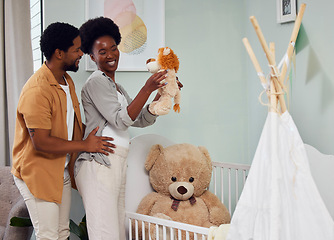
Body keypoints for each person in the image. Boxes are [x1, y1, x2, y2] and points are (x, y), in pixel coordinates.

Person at [11, 22, 115, 240]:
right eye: (76, 49)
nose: (81, 53)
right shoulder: (37, 90)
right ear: (59, 53)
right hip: (37, 172)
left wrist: (112, 137)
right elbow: (41, 142)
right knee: (48, 235)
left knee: (61, 232)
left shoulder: (66, 81)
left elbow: (72, 124)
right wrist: (85, 145)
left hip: (60, 168)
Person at [74, 16, 172, 239]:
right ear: (92, 57)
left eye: (113, 48)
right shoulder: (96, 82)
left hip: (115, 163)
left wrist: (158, 97)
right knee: (104, 233)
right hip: (99, 165)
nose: (110, 55)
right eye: (102, 51)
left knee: (116, 231)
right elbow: (120, 120)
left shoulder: (115, 87)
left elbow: (137, 119)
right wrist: (146, 89)